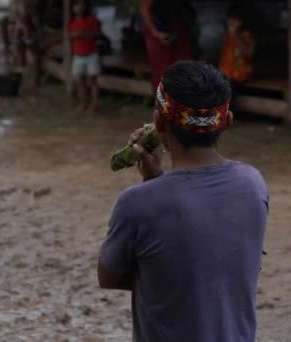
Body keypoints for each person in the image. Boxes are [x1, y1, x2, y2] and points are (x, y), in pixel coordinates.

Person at [98, 61, 268, 342]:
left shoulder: (136, 204)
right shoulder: (253, 184)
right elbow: (216, 265)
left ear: (159, 121)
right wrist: (156, 180)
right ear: (227, 122)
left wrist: (153, 186)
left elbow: (109, 276)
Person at [139, 0, 194, 92]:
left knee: (185, 64)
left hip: (177, 24)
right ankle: (163, 101)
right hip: (156, 27)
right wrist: (155, 32)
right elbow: (144, 9)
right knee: (161, 68)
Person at [68, 0, 101, 112]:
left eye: (82, 5)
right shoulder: (72, 21)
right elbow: (70, 35)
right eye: (77, 5)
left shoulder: (92, 19)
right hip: (78, 55)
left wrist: (83, 34)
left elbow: (97, 33)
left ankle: (95, 104)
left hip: (91, 54)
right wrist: (75, 35)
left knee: (93, 80)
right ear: (73, 8)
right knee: (80, 80)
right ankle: (83, 103)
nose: (79, 8)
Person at [218, 12, 255, 109]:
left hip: (240, 74)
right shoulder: (227, 36)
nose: (231, 24)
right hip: (227, 73)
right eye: (230, 22)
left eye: (234, 22)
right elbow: (223, 57)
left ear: (241, 22)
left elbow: (248, 54)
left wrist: (235, 37)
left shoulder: (246, 35)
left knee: (229, 87)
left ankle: (226, 113)